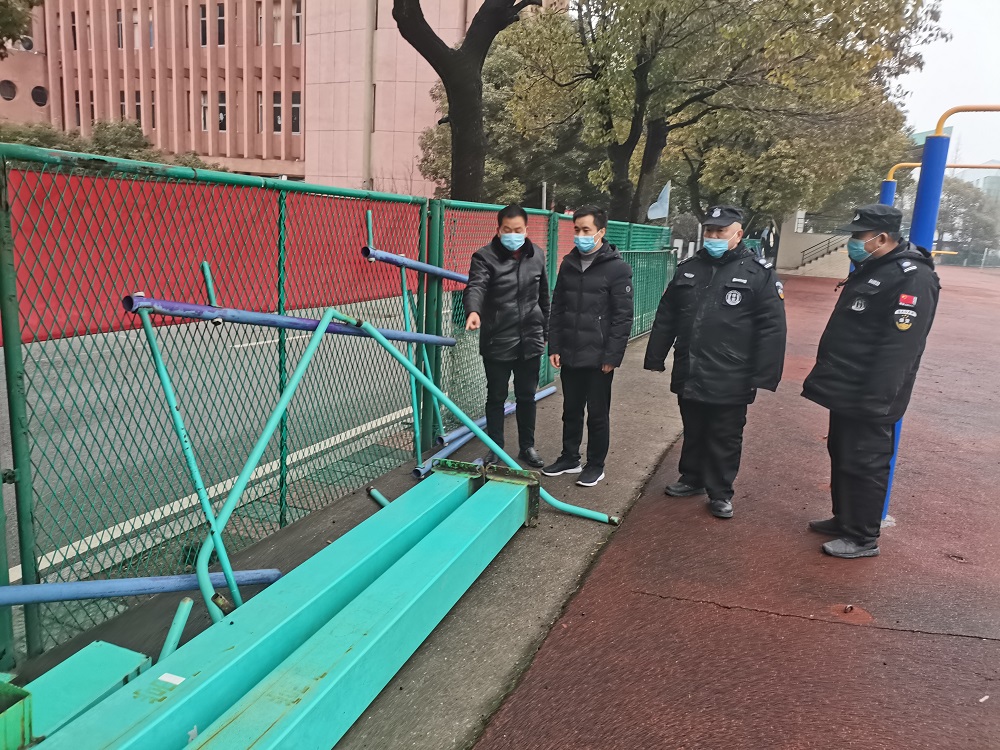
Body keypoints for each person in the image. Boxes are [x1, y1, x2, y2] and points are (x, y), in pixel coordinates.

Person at [802, 204, 940, 558]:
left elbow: (900, 346)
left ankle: (862, 536)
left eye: (858, 236)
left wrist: (877, 398)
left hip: (872, 392)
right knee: (843, 454)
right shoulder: (875, 267)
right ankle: (845, 518)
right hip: (848, 385)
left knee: (866, 462)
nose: (852, 242)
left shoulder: (912, 277)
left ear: (881, 238)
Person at [644, 205, 786, 519]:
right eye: (709, 230)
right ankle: (692, 477)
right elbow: (667, 314)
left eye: (720, 231)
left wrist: (764, 374)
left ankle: (720, 492)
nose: (713, 236)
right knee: (693, 427)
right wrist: (655, 356)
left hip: (732, 373)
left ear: (738, 234)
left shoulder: (758, 273)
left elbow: (772, 327)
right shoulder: (690, 268)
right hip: (691, 367)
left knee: (725, 435)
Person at [543, 205, 633, 487]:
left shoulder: (617, 269)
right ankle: (570, 458)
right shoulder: (568, 264)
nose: (581, 235)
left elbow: (622, 316)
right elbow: (558, 307)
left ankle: (595, 465)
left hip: (598, 357)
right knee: (571, 410)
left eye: (586, 230)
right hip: (570, 352)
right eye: (577, 230)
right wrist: (554, 346)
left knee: (597, 414)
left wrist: (612, 356)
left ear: (601, 232)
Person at [464, 205, 550, 468]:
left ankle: (527, 447)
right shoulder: (484, 257)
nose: (513, 235)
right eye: (507, 230)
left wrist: (546, 331)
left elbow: (544, 296)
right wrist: (474, 311)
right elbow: (476, 286)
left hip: (530, 338)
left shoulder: (537, 255)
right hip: (498, 339)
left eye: (518, 230)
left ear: (526, 229)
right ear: (499, 229)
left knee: (527, 396)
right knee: (496, 397)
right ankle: (495, 448)